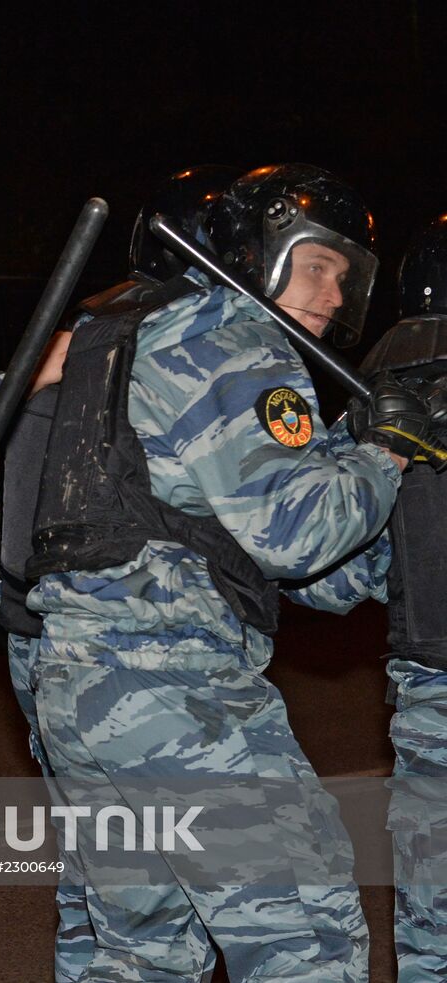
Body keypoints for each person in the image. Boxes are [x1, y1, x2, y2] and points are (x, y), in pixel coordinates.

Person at [24, 162, 424, 981]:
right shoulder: (231, 341)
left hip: (80, 686)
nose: (332, 294)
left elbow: (308, 574)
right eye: (317, 265)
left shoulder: (131, 329)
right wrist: (388, 451)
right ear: (256, 252)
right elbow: (298, 533)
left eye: (345, 277)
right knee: (305, 941)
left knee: (142, 954)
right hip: (176, 690)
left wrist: (358, 469)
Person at [0, 163, 240, 983]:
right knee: (164, 902)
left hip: (53, 638)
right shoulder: (172, 345)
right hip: (121, 646)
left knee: (107, 889)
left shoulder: (96, 330)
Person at [360, 213, 447, 982]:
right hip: (431, 677)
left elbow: (341, 572)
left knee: (433, 916)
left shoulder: (387, 387)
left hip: (430, 679)